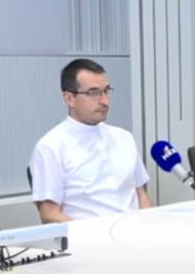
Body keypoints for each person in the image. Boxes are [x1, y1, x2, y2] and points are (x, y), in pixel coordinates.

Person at [30, 58, 152, 223]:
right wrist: (92, 235)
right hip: (88, 236)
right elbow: (49, 214)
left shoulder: (124, 137)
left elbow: (141, 195)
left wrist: (148, 226)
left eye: (106, 91)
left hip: (135, 232)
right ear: (69, 98)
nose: (105, 101)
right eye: (93, 93)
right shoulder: (51, 147)